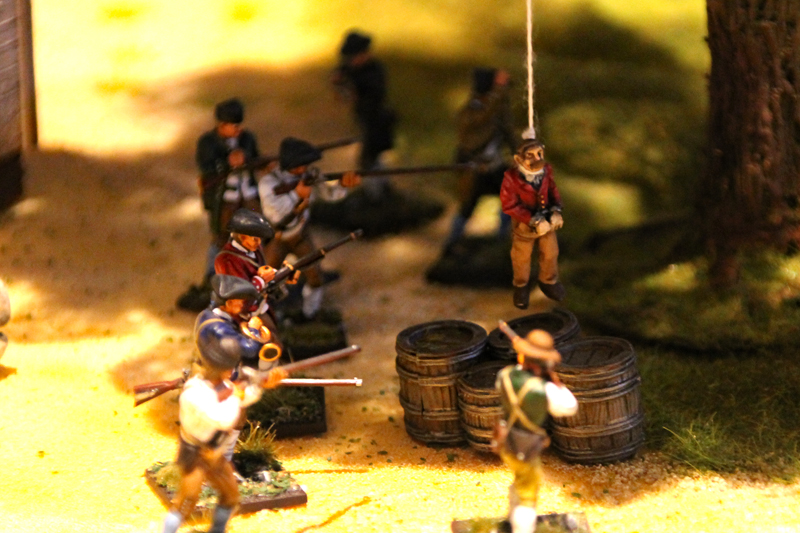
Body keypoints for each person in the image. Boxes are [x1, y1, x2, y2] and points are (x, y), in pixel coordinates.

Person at [160, 275, 287, 533]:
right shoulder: (195, 392)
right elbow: (223, 418)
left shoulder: (224, 385)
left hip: (215, 455)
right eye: (229, 367)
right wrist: (238, 395)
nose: (232, 371)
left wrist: (261, 385)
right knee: (186, 502)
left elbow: (242, 397)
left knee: (230, 497)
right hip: (196, 454)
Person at [258, 137, 360, 320]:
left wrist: (342, 185)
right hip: (278, 237)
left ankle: (309, 314)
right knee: (264, 280)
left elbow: (328, 193)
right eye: (299, 165)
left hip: (300, 235)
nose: (303, 169)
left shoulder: (309, 175)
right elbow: (276, 214)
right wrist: (298, 195)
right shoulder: (268, 183)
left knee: (315, 278)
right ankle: (262, 315)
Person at [178, 98, 263, 312]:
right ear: (221, 125)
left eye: (238, 125)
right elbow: (207, 167)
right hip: (224, 199)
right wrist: (227, 163)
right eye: (233, 125)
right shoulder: (208, 143)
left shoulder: (247, 139)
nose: (237, 129)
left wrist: (249, 159)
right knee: (220, 238)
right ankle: (211, 277)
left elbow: (256, 158)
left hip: (247, 195)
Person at [494, 329, 577, 533]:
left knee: (519, 483)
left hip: (506, 442)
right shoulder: (545, 389)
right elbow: (569, 406)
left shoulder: (505, 375)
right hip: (526, 447)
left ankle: (512, 520)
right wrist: (555, 381)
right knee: (528, 497)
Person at [442, 67, 516, 255]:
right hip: (474, 170)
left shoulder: (497, 109)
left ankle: (501, 239)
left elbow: (507, 131)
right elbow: (482, 118)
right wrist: (499, 90)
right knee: (467, 208)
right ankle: (452, 243)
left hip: (495, 166)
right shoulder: (472, 110)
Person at [500, 138, 565, 308]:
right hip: (524, 225)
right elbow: (509, 205)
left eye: (539, 154)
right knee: (521, 257)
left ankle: (548, 282)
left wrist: (556, 211)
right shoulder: (511, 178)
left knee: (550, 253)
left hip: (547, 222)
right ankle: (521, 287)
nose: (537, 159)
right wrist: (533, 220)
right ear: (518, 159)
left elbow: (553, 191)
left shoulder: (546, 171)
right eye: (530, 155)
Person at [332, 30, 396, 198]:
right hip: (364, 119)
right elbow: (343, 93)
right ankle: (378, 190)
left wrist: (351, 88)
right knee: (372, 159)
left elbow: (370, 95)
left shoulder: (374, 71)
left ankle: (377, 193)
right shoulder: (351, 69)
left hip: (377, 120)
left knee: (370, 158)